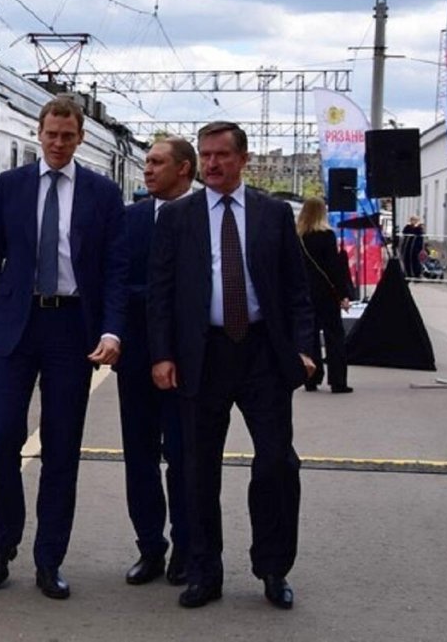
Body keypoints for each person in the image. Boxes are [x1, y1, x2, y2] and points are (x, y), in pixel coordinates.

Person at [147, 121, 315, 611]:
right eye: (206, 155)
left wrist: (305, 350)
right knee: (198, 468)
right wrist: (162, 355)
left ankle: (273, 567)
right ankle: (204, 571)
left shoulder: (272, 215)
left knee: (276, 463)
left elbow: (296, 289)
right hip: (203, 355)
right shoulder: (178, 218)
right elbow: (160, 294)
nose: (213, 164)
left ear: (244, 159)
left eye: (222, 155)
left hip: (263, 353)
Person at [0, 95, 127, 599]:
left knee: (62, 449)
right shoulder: (11, 186)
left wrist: (111, 330)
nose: (58, 144)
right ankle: (3, 544)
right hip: (15, 326)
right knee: (1, 441)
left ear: (80, 139)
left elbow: (115, 270)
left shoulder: (103, 192)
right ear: (39, 133)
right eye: (51, 135)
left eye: (68, 136)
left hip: (71, 331)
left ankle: (48, 558)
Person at [115, 137, 196, 588]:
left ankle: (186, 545)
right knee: (139, 456)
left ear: (184, 169)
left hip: (186, 361)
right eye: (146, 162)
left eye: (157, 162)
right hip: (136, 357)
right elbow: (117, 280)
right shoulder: (131, 219)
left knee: (184, 457)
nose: (146, 170)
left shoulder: (203, 217)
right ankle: (150, 547)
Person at [297, 197, 355, 394]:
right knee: (334, 336)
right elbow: (333, 268)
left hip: (304, 293)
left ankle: (311, 379)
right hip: (326, 292)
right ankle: (337, 381)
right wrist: (343, 293)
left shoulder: (298, 237)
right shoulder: (327, 235)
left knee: (310, 336)